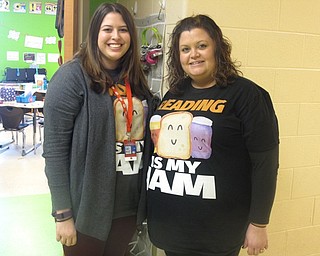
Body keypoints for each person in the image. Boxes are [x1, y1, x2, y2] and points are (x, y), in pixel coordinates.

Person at [146, 14, 279, 256]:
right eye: (185, 49)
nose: (193, 54)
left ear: (218, 48)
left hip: (217, 232)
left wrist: (259, 223)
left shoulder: (246, 95)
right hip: (171, 227)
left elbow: (266, 164)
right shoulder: (174, 95)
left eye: (202, 46)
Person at [43, 3, 158, 256]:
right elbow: (54, 152)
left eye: (123, 30)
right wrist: (62, 214)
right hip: (87, 210)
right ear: (95, 33)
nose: (115, 37)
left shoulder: (135, 79)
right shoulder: (71, 77)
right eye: (108, 29)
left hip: (128, 207)